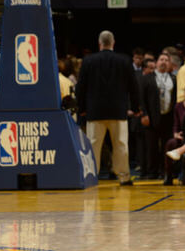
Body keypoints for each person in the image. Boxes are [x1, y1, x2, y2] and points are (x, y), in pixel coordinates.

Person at [75, 30, 140, 186]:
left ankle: (92, 176)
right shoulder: (124, 60)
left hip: (94, 111)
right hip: (118, 111)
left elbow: (80, 88)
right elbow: (134, 86)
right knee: (120, 145)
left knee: (94, 145)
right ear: (113, 43)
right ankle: (124, 177)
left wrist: (81, 108)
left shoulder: (89, 61)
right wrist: (136, 107)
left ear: (100, 43)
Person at [138, 52, 175, 180]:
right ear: (156, 62)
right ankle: (151, 172)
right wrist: (144, 114)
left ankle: (164, 171)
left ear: (170, 64)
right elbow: (141, 98)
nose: (163, 62)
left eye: (166, 60)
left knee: (166, 145)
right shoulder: (147, 78)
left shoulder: (173, 78)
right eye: (161, 59)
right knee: (151, 146)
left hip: (168, 117)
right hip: (152, 117)